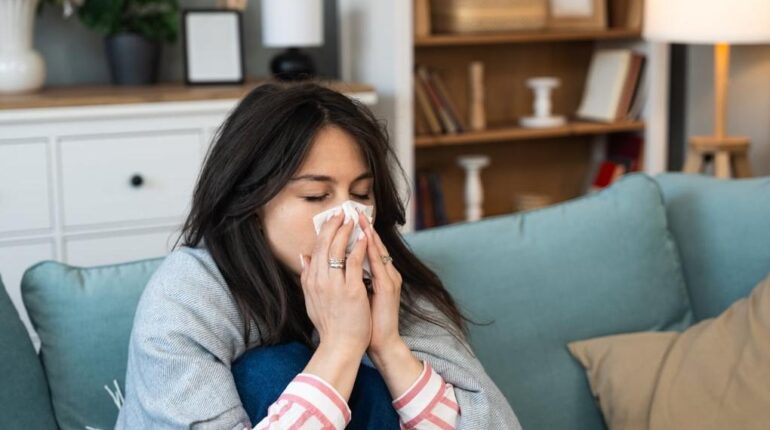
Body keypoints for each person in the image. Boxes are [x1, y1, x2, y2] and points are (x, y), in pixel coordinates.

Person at [115, 82, 522, 429]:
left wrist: (387, 346)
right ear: (252, 203)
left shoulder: (387, 282)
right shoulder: (188, 298)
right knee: (270, 370)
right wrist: (341, 348)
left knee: (379, 380)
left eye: (362, 194)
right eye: (316, 196)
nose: (348, 216)